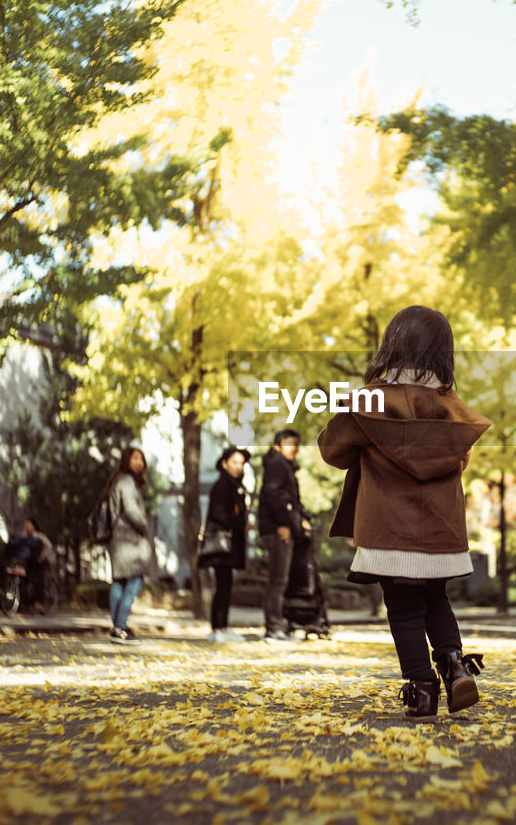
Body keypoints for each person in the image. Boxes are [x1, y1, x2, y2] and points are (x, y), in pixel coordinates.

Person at [319, 305, 491, 722]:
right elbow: (460, 457)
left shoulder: (372, 402)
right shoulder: (452, 406)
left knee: (403, 607)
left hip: (389, 527)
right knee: (436, 597)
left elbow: (331, 450)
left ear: (391, 345)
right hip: (441, 528)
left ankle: (422, 691)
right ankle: (453, 665)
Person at [258, 429, 313, 642]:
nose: (294, 447)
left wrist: (302, 518)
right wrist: (283, 523)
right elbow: (275, 496)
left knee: (281, 579)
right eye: (289, 443)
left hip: (283, 527)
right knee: (277, 579)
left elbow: (291, 500)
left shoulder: (285, 467)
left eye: (296, 443)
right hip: (277, 530)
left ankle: (278, 625)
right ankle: (273, 627)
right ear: (277, 446)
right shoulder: (277, 464)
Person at [103, 446, 153, 644]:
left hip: (119, 539)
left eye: (141, 459)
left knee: (120, 581)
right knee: (134, 581)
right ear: (126, 460)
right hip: (128, 541)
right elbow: (131, 510)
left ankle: (117, 627)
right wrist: (144, 526)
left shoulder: (118, 481)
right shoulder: (126, 481)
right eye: (135, 458)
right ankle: (121, 626)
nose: (139, 462)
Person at [202, 446, 251, 643]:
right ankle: (218, 629)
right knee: (223, 585)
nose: (239, 467)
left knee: (225, 585)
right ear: (224, 464)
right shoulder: (223, 485)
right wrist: (241, 523)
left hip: (229, 545)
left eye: (241, 463)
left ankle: (221, 626)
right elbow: (218, 513)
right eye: (234, 462)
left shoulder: (233, 485)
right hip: (222, 544)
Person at [6, 518, 53, 610]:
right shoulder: (24, 536)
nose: (26, 526)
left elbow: (49, 546)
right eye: (26, 524)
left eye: (28, 524)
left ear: (33, 526)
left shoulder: (39, 536)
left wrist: (41, 557)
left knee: (40, 580)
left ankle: (39, 602)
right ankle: (24, 598)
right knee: (23, 576)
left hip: (40, 561)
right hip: (28, 561)